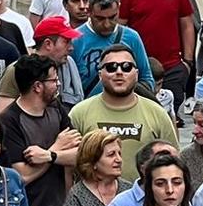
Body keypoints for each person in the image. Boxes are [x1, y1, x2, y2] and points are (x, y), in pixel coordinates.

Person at [0, 53, 80, 206]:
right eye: (54, 80)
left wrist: (49, 155)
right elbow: (20, 175)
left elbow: (79, 155)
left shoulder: (58, 111)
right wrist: (58, 147)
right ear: (37, 86)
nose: (58, 85)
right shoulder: (9, 121)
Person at [69, 42, 178, 172]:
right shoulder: (79, 113)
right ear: (100, 74)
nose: (119, 72)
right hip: (92, 192)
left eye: (126, 67)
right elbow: (68, 165)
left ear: (136, 74)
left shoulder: (157, 113)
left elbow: (174, 162)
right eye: (111, 67)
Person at [122, 0, 197, 100]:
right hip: (139, 68)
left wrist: (187, 62)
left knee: (172, 117)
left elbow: (187, 26)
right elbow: (119, 29)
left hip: (172, 68)